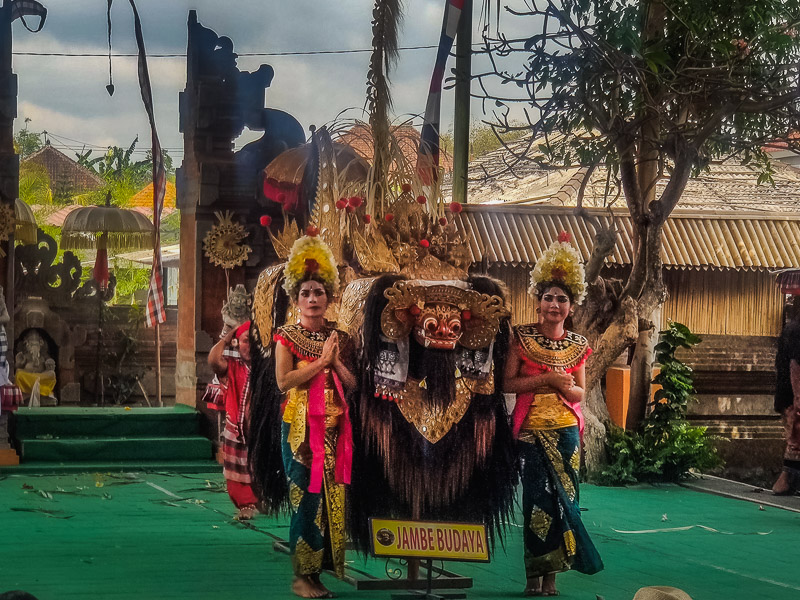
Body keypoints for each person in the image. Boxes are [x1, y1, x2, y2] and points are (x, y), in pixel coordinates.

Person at [249, 233, 355, 599]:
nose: (313, 299)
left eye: (319, 293)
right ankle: (301, 578)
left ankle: (317, 574)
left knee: (331, 504)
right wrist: (321, 364)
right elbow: (283, 381)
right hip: (299, 434)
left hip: (335, 431)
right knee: (306, 502)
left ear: (329, 298)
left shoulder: (338, 336)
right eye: (306, 293)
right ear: (296, 300)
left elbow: (353, 383)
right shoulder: (287, 337)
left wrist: (336, 363)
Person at [503, 232, 603, 596]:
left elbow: (580, 391)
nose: (554, 304)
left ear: (571, 307)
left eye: (562, 299)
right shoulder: (520, 338)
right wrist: (546, 378)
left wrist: (562, 386)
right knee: (537, 502)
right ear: (537, 302)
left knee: (566, 501)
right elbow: (507, 384)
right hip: (531, 433)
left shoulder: (578, 345)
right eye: (548, 297)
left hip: (566, 434)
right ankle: (534, 574)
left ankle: (553, 577)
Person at [208, 320, 259, 520]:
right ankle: (245, 504)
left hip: (260, 432)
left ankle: (262, 500)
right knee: (238, 474)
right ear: (237, 343)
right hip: (236, 430)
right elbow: (213, 360)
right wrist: (227, 337)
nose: (250, 346)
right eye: (246, 341)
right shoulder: (233, 366)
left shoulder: (267, 366)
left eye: (255, 342)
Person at [772, 306, 800, 495]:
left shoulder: (792, 328)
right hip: (792, 394)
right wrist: (798, 398)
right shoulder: (797, 330)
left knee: (795, 438)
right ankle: (785, 482)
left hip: (787, 393)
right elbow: (795, 365)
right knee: (795, 439)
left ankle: (788, 482)